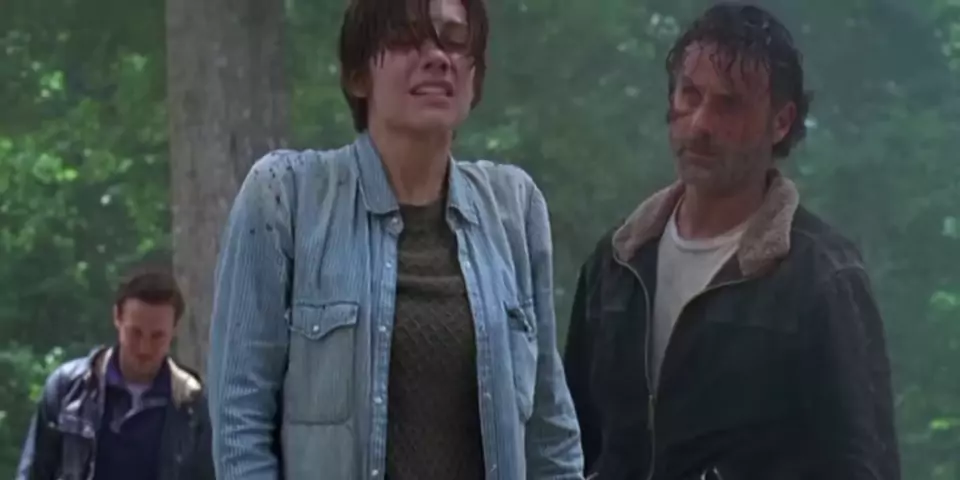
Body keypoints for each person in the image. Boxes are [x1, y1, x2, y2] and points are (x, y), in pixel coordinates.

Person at [205, 0, 583, 478]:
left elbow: (549, 429)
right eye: (407, 37)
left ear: (475, 77)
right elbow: (239, 421)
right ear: (358, 75)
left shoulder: (514, 208)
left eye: (455, 39)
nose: (437, 56)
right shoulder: (285, 196)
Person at [563, 4, 900, 480]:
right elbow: (571, 444)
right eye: (690, 94)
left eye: (729, 104)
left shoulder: (822, 278)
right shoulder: (616, 262)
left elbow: (861, 465)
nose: (700, 124)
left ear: (781, 122)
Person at [16, 267, 213, 480]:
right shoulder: (67, 389)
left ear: (174, 330)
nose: (144, 348)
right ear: (117, 317)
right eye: (135, 333)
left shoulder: (193, 405)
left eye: (157, 336)